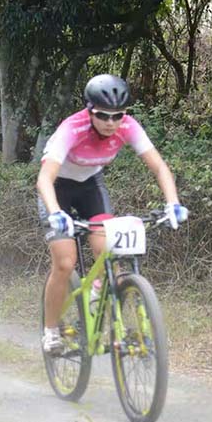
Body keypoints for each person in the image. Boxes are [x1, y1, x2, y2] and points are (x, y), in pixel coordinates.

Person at [36, 74, 189, 354]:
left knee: (109, 255)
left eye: (118, 115)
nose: (111, 122)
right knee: (65, 262)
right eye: (103, 115)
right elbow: (44, 179)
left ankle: (98, 304)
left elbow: (159, 167)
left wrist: (173, 203)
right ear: (89, 110)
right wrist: (56, 212)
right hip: (57, 188)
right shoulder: (72, 128)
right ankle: (50, 330)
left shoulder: (128, 127)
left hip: (91, 187)